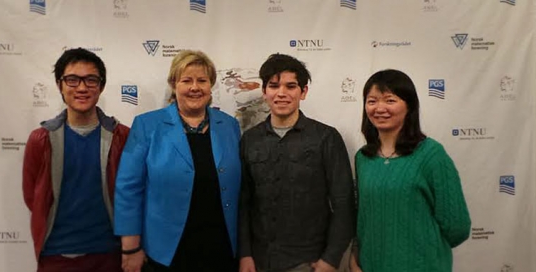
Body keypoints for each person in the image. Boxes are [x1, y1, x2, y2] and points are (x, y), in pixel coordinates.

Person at [114, 50, 242, 272]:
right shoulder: (147, 125)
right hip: (166, 252)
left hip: (220, 249)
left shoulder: (229, 125)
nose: (195, 87)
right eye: (186, 80)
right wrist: (130, 248)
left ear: (211, 86)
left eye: (202, 80)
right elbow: (128, 188)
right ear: (174, 85)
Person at [239, 53, 355, 272]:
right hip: (260, 260)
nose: (281, 93)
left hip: (309, 262)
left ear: (304, 92)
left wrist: (331, 259)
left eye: (291, 86)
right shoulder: (249, 139)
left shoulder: (326, 138)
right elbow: (243, 203)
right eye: (274, 86)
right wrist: (244, 254)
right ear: (264, 92)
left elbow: (344, 204)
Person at [352, 69, 471, 272]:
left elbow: (457, 226)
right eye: (372, 101)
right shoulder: (363, 158)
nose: (379, 108)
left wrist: (421, 251)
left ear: (409, 106)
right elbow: (364, 220)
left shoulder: (431, 154)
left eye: (390, 100)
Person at [22, 48, 130, 272]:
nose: (82, 88)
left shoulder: (123, 137)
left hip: (110, 255)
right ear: (59, 85)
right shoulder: (40, 140)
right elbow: (33, 196)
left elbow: (134, 196)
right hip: (56, 255)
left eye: (91, 80)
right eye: (72, 80)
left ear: (101, 86)